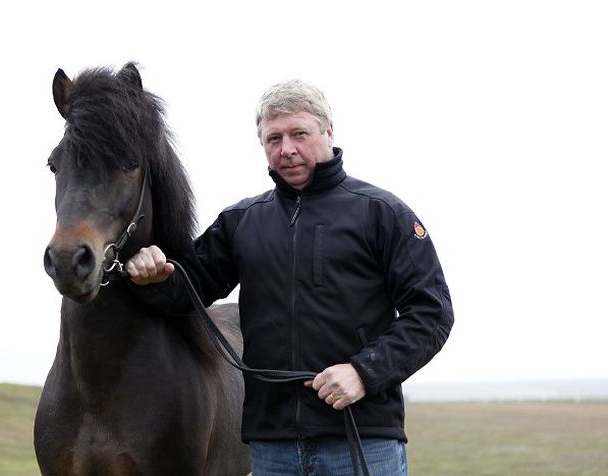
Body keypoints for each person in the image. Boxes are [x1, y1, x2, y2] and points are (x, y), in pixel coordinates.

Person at [125, 79, 453, 476]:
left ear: (328, 132)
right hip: (271, 447)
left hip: (361, 438)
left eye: (300, 134)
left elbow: (431, 314)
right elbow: (186, 291)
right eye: (273, 138)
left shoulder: (383, 214)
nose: (287, 150)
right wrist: (151, 274)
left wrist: (363, 373)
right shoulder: (241, 222)